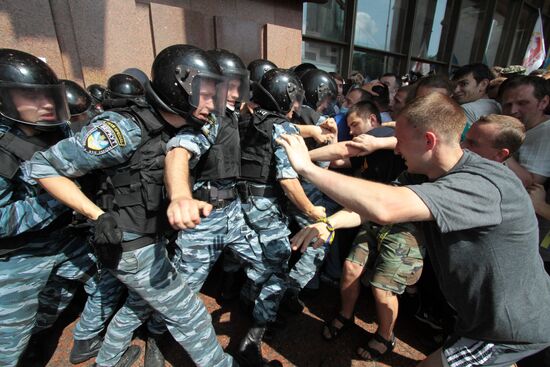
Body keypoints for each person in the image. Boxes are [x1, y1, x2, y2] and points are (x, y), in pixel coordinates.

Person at [277, 92, 550, 367]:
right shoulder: (425, 174)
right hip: (480, 318)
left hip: (506, 327)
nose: (396, 150)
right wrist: (328, 223)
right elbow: (370, 208)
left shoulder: (483, 184)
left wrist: (306, 167)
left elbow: (386, 206)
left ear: (429, 141)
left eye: (402, 143)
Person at [30, 44, 236, 367]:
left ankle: (107, 360)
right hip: (131, 246)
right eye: (205, 93)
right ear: (179, 87)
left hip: (146, 237)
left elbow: (178, 153)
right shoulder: (122, 131)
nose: (213, 104)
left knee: (137, 304)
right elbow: (44, 167)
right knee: (190, 315)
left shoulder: (184, 124)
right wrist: (95, 215)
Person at [0, 48, 121, 367]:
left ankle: (74, 339)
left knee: (108, 274)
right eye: (31, 99)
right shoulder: (3, 149)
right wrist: (56, 202)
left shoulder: (57, 129)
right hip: (17, 256)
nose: (44, 107)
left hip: (63, 238)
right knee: (9, 342)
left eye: (47, 97)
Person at [163, 47, 282, 367]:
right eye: (229, 86)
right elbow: (178, 152)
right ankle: (157, 337)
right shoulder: (209, 120)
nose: (235, 93)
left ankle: (254, 333)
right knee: (182, 290)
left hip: (235, 214)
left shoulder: (234, 115)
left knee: (267, 265)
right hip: (204, 218)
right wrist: (179, 196)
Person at [451, 63, 501, 139]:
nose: (456, 90)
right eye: (454, 86)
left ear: (483, 84)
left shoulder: (466, 109)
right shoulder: (498, 106)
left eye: (464, 84)